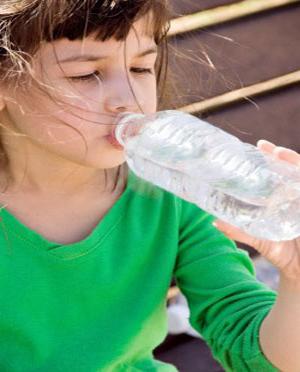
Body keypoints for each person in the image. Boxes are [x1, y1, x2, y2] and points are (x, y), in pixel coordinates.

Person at [0, 1, 299, 371]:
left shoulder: (173, 196)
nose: (129, 100)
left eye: (141, 67)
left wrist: (297, 279)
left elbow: (260, 355)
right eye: (86, 74)